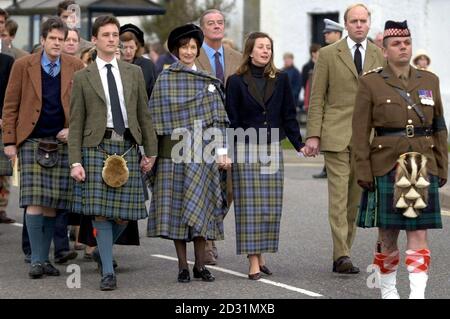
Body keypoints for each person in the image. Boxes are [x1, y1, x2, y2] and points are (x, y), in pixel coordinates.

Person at [353, 20, 447, 299]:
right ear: (384, 49)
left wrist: (442, 165)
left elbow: (439, 126)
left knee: (418, 233)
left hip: (422, 163)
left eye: (406, 42)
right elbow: (359, 132)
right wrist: (363, 170)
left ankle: (417, 295)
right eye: (396, 43)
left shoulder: (429, 80)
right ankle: (389, 292)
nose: (403, 47)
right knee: (388, 234)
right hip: (386, 163)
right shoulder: (370, 82)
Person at [69, 15, 157, 291]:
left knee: (126, 213)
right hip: (97, 147)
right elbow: (76, 123)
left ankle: (100, 250)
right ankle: (108, 270)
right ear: (94, 40)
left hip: (129, 146)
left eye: (115, 34)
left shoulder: (134, 73)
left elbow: (144, 114)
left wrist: (151, 152)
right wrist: (75, 161)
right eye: (105, 34)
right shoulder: (83, 77)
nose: (111, 39)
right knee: (100, 214)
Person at [147, 24, 230, 283]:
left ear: (198, 50)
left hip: (203, 155)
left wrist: (222, 152)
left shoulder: (208, 81)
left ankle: (200, 265)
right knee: (176, 210)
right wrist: (150, 155)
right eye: (184, 47)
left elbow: (218, 120)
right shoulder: (165, 79)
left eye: (193, 47)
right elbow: (154, 119)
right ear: (176, 50)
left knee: (202, 209)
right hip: (173, 155)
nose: (188, 51)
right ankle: (182, 266)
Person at [305, 3, 384, 274]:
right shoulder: (328, 54)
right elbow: (317, 98)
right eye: (354, 21)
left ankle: (345, 250)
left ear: (369, 23)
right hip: (336, 136)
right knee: (338, 199)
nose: (359, 25)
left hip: (368, 139)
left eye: (363, 21)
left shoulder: (378, 54)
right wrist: (313, 134)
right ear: (346, 24)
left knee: (353, 202)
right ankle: (341, 255)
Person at [2, 17, 84, 278]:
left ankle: (44, 259)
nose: (58, 43)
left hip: (61, 143)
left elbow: (83, 105)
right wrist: (9, 142)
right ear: (43, 40)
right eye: (53, 39)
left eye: (62, 39)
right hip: (32, 140)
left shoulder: (76, 65)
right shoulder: (22, 65)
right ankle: (37, 259)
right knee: (35, 201)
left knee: (52, 204)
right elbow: (10, 105)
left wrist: (73, 130)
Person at [226, 32, 305, 280]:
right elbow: (231, 119)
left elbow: (289, 115)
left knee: (269, 207)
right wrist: (226, 151)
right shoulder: (236, 81)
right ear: (250, 51)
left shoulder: (280, 79)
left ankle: (262, 256)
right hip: (245, 148)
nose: (265, 51)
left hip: (272, 147)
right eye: (261, 47)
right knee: (249, 206)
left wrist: (299, 144)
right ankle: (252, 262)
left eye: (269, 47)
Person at [196, 8, 242, 265]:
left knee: (230, 189)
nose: (216, 26)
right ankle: (207, 241)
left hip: (234, 131)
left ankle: (210, 228)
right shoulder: (193, 55)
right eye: (211, 23)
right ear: (203, 28)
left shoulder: (237, 57)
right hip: (203, 132)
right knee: (207, 187)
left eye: (220, 22)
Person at [312, 19, 344, 180]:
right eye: (325, 32)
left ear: (338, 34)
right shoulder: (326, 53)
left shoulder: (344, 53)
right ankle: (327, 168)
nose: (325, 35)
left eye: (329, 32)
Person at [119, 23, 157, 98]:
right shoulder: (113, 65)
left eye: (131, 47)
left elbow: (154, 92)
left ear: (137, 47)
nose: (128, 51)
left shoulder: (148, 65)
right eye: (125, 47)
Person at [0, 53, 15, 224]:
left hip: (3, 122)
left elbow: (10, 94)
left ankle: (1, 208)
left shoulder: (7, 61)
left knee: (3, 172)